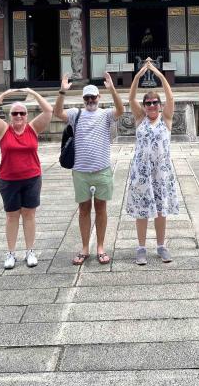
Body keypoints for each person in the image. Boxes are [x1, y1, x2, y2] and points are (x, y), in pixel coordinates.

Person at [54, 72, 124, 265]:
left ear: (99, 98)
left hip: (101, 169)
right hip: (81, 171)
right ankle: (85, 247)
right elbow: (58, 113)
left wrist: (112, 89)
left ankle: (100, 246)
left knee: (101, 208)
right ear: (83, 99)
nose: (91, 100)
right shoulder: (76, 114)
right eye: (87, 97)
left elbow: (121, 110)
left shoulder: (105, 114)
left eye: (93, 97)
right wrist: (62, 91)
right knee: (84, 209)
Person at [0, 88, 53, 269]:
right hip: (8, 179)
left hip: (31, 178)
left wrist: (34, 93)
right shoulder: (4, 130)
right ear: (10, 115)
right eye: (15, 113)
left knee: (29, 215)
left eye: (22, 113)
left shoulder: (33, 128)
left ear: (27, 115)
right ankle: (11, 253)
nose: (19, 116)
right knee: (11, 216)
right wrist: (4, 95)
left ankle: (30, 251)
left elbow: (48, 111)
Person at [126, 58, 179, 265]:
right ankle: (141, 247)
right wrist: (139, 75)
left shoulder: (166, 119)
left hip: (161, 172)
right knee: (142, 210)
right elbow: (131, 98)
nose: (151, 106)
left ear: (159, 104)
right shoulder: (140, 119)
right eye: (148, 103)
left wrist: (157, 74)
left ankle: (160, 245)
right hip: (142, 171)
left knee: (160, 209)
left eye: (155, 102)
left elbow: (171, 96)